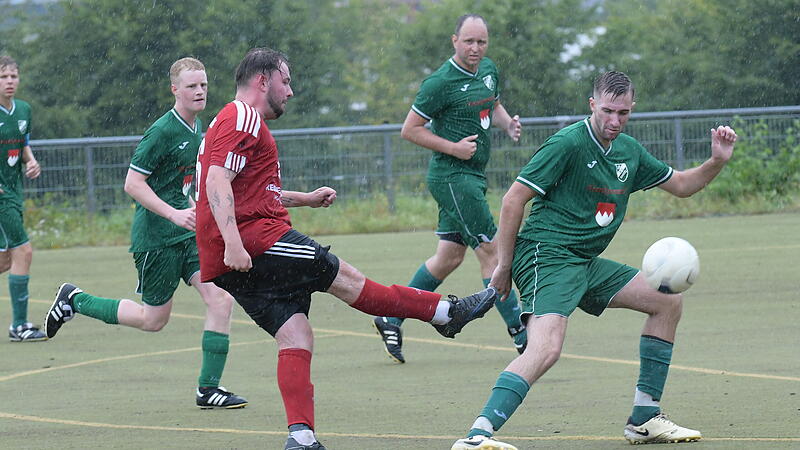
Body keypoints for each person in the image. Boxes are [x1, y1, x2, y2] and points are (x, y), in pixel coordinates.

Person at [194, 47, 497, 450]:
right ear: (262, 81)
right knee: (348, 280)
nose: (291, 91)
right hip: (254, 242)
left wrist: (304, 198)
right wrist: (233, 241)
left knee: (296, 335)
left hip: (233, 256)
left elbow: (248, 190)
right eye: (286, 80)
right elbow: (216, 183)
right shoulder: (243, 115)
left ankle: (300, 437)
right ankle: (444, 312)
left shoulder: (228, 120)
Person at [450, 71, 738, 449]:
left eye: (623, 112)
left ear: (632, 108)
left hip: (584, 262)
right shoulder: (568, 143)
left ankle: (645, 418)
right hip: (545, 255)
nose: (615, 121)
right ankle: (477, 436)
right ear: (592, 105)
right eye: (607, 111)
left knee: (667, 301)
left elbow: (682, 186)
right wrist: (503, 267)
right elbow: (512, 200)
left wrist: (717, 160)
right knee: (545, 349)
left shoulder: (629, 152)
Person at [45, 57, 248, 409]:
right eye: (191, 86)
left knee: (220, 298)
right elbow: (132, 183)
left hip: (186, 236)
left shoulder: (196, 127)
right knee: (153, 321)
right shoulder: (163, 131)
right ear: (175, 90)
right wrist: (173, 214)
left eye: (203, 85)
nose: (199, 91)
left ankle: (208, 388)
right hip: (155, 239)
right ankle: (74, 299)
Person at [373, 14, 526, 364]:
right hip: (453, 178)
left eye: (481, 42)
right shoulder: (439, 82)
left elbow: (494, 102)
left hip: (470, 177)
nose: (475, 48)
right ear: (454, 40)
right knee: (492, 253)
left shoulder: (488, 69)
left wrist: (507, 124)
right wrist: (454, 147)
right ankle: (521, 334)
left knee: (449, 257)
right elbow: (410, 129)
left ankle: (391, 315)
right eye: (469, 41)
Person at [0, 55, 45, 342]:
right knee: (23, 252)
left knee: (6, 261)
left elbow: (23, 143)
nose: (9, 82)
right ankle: (19, 326)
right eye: (3, 77)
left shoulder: (24, 110)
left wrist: (31, 161)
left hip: (14, 193)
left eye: (13, 76)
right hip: (1, 198)